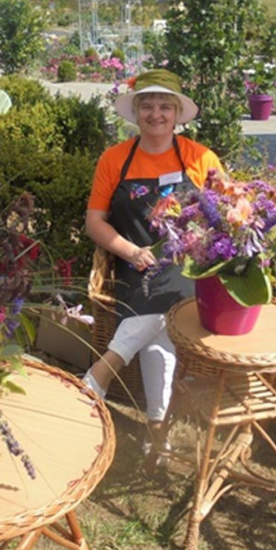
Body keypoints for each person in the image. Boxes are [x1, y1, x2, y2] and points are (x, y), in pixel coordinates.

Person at [82, 69, 223, 467]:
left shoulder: (201, 158)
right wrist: (129, 251)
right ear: (136, 112)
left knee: (167, 297)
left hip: (189, 267)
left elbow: (226, 215)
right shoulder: (114, 159)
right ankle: (157, 430)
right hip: (136, 266)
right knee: (161, 319)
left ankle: (100, 375)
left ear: (177, 113)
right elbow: (94, 222)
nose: (156, 114)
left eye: (165, 106)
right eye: (147, 106)